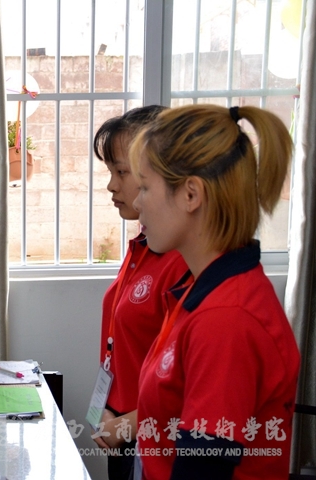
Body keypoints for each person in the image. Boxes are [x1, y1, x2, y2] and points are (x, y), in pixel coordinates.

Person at [130, 104, 300, 479]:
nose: (137, 202)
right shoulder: (201, 289)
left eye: (144, 187)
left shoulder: (226, 320)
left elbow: (202, 468)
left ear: (191, 194)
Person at [90, 105, 188, 480]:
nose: (112, 186)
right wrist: (106, 411)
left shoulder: (182, 260)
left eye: (122, 172)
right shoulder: (144, 245)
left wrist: (126, 425)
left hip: (150, 436)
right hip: (120, 425)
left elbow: (183, 385)